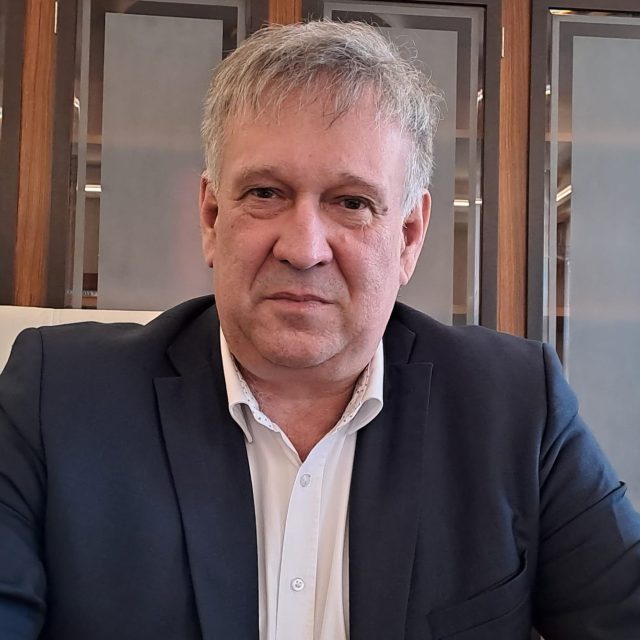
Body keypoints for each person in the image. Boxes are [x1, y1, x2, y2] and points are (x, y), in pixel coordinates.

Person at [0, 20, 639, 640]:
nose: (303, 249)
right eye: (266, 193)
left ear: (408, 236)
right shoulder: (57, 398)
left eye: (352, 203)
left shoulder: (517, 406)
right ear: (212, 216)